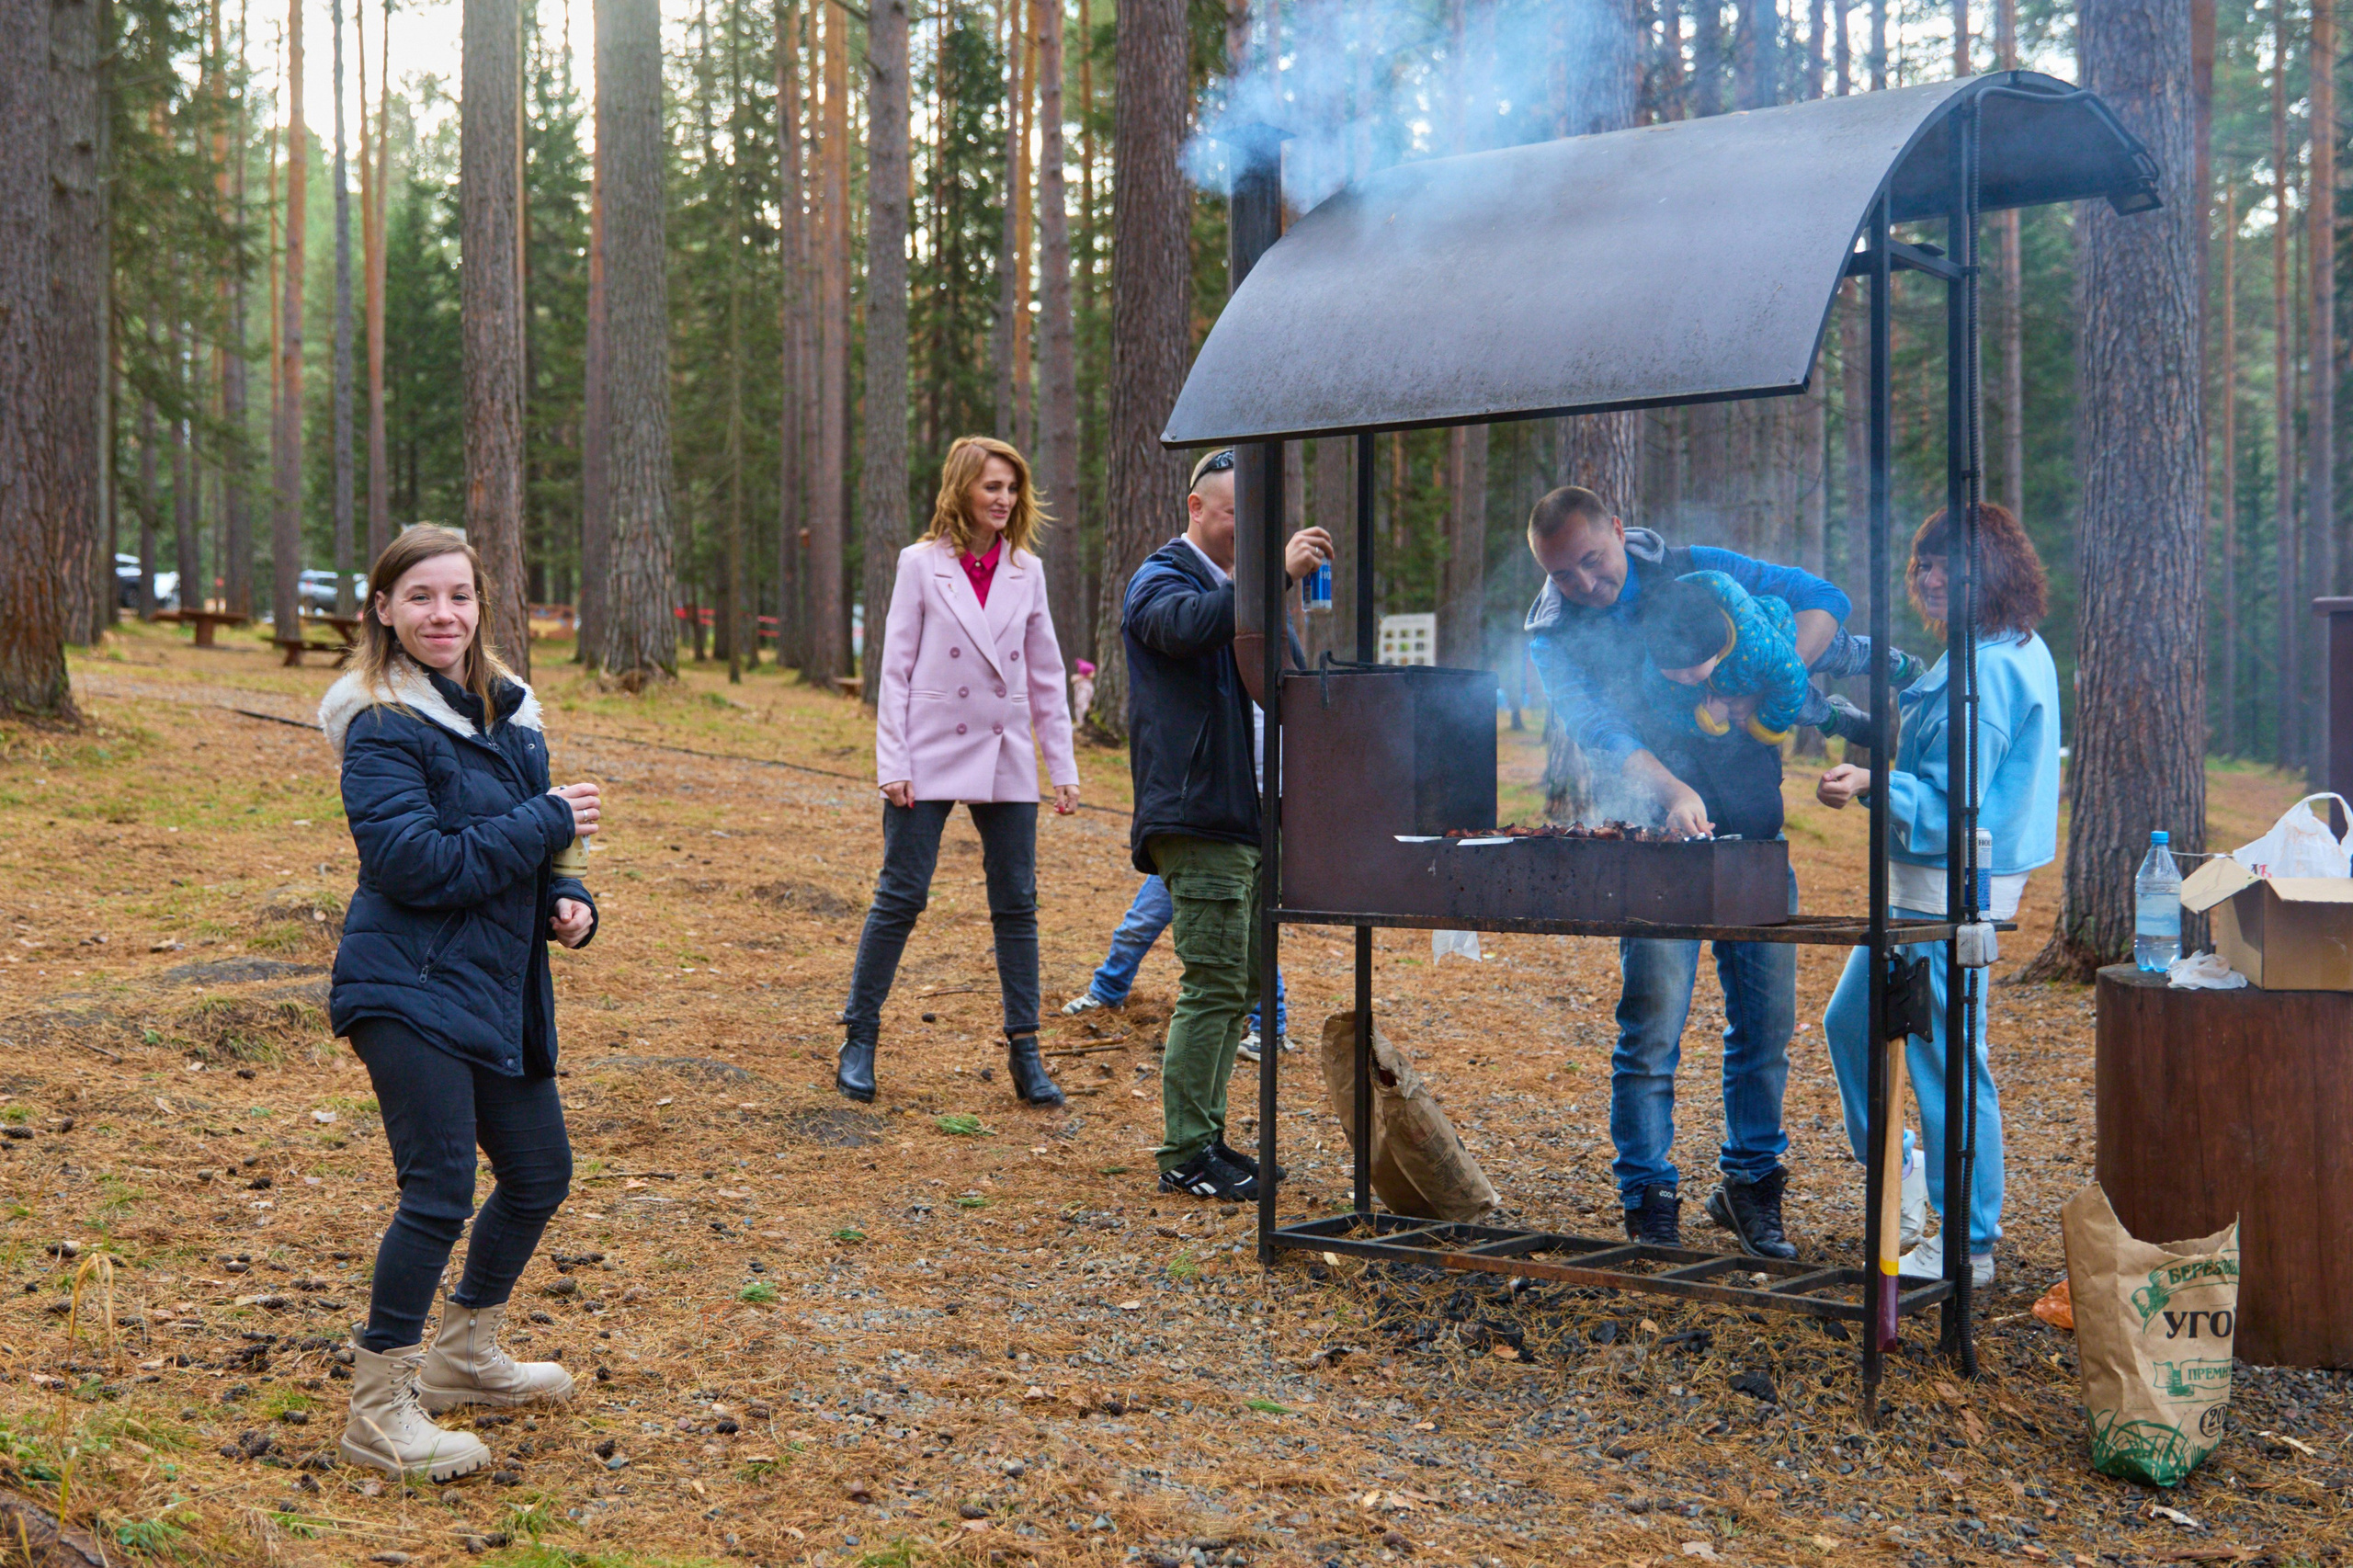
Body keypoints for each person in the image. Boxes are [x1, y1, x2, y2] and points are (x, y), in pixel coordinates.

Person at [319, 525, 597, 1482]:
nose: (444, 614)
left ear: (482, 606)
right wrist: (549, 817)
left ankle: (463, 1354)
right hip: (406, 984)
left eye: (460, 596)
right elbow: (414, 862)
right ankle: (377, 1410)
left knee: (538, 1171)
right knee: (437, 1189)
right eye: (422, 597)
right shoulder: (382, 723)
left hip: (497, 980)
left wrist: (573, 894)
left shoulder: (510, 711)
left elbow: (548, 852)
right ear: (384, 611)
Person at [1523, 485, 1851, 1257]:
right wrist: (1670, 790)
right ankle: (1648, 1196)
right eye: (1564, 574)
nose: (1585, 586)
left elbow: (1823, 600)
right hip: (1656, 841)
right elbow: (1595, 730)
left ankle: (1751, 1188)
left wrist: (1767, 677)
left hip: (1756, 836)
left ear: (1618, 530)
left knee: (1765, 1028)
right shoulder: (1554, 631)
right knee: (1651, 1032)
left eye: (1593, 563)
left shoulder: (1696, 568)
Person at [1816, 503, 2059, 1290]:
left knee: (1948, 1060)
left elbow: (1957, 804)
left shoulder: (1988, 669)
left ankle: (1969, 1241)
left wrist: (1870, 783)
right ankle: (1908, 1185)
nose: (1927, 578)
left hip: (1949, 892)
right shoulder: (1980, 650)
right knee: (1853, 1024)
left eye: (1945, 565)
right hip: (1922, 891)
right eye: (1921, 564)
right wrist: (1849, 730)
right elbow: (1922, 752)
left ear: (1987, 571)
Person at [839, 435, 1081, 1108]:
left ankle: (1026, 1052)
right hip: (927, 748)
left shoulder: (1025, 570)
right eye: (991, 487)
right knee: (902, 894)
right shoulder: (920, 564)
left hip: (1004, 753)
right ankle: (859, 1036)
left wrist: (1059, 766)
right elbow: (894, 668)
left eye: (1011, 488)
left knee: (1017, 903)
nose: (1003, 499)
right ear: (962, 490)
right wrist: (893, 762)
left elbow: (1045, 672)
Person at [1125, 447, 1330, 1201]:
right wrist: (1272, 575)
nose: (1246, 528)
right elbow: (1189, 627)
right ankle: (1185, 1153)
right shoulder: (1162, 579)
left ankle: (1209, 1138)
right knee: (1212, 982)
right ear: (1197, 510)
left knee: (1239, 981)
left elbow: (1292, 689)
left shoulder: (1249, 592)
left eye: (1257, 517)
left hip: (1246, 818)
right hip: (1197, 814)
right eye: (1236, 512)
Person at [1639, 570, 1922, 745]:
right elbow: (1665, 707)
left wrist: (1764, 725)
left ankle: (1901, 666)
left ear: (1716, 648)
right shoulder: (1663, 662)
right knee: (1800, 710)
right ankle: (1836, 718)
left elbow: (1791, 679)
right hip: (1751, 676)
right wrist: (1706, 720)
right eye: (1671, 670)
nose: (1682, 679)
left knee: (1846, 656)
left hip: (1785, 636)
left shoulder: (1755, 644)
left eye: (1689, 671)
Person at [1060, 874, 1290, 1059]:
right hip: (1181, 844)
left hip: (1235, 851)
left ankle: (1269, 1031)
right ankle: (1106, 993)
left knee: (1250, 937)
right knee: (1138, 924)